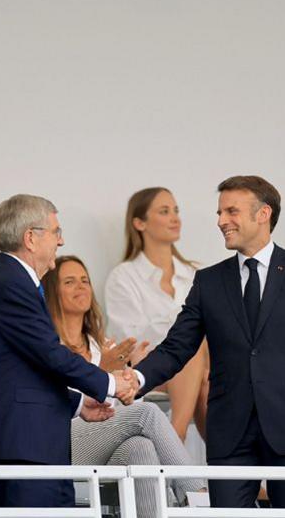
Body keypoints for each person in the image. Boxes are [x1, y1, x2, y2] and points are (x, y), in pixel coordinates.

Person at [132, 176, 285, 509]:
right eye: (220, 212)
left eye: (231, 211)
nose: (221, 221)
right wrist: (134, 379)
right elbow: (176, 346)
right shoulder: (208, 281)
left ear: (263, 213)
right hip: (229, 430)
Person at [0, 194, 137, 508]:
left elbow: (29, 368)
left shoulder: (15, 282)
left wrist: (77, 404)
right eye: (56, 231)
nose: (61, 241)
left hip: (37, 443)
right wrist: (111, 384)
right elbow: (50, 354)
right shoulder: (9, 284)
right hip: (22, 445)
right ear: (31, 238)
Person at [45, 255, 205, 518]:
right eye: (70, 282)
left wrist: (131, 375)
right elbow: (57, 401)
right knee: (148, 414)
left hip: (103, 441)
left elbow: (125, 409)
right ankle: (197, 499)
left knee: (141, 447)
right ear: (53, 291)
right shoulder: (49, 344)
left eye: (85, 280)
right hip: (63, 442)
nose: (81, 287)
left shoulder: (105, 346)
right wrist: (103, 372)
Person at [105, 187, 209, 440]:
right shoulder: (124, 277)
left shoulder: (197, 273)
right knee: (191, 346)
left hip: (204, 368)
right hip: (151, 369)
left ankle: (180, 441)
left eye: (176, 210)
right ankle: (179, 437)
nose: (175, 218)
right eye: (164, 211)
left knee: (208, 379)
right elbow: (132, 342)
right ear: (139, 223)